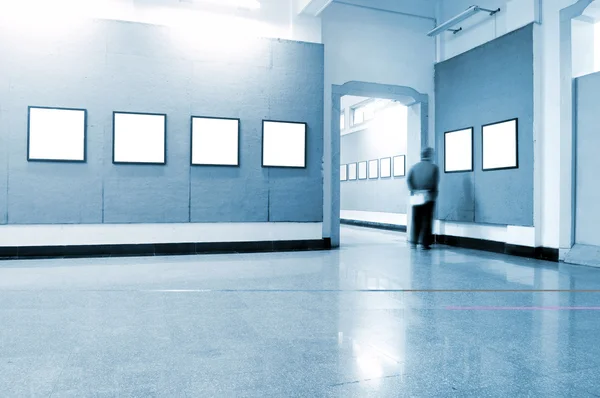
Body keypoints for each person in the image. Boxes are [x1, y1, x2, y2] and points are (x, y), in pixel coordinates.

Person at [407, 147, 439, 250]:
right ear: (429, 155)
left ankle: (414, 241)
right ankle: (425, 243)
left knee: (416, 219)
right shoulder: (434, 168)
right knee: (427, 220)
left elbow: (409, 180)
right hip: (428, 196)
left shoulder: (414, 167)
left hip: (416, 196)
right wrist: (434, 194)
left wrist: (413, 190)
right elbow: (435, 183)